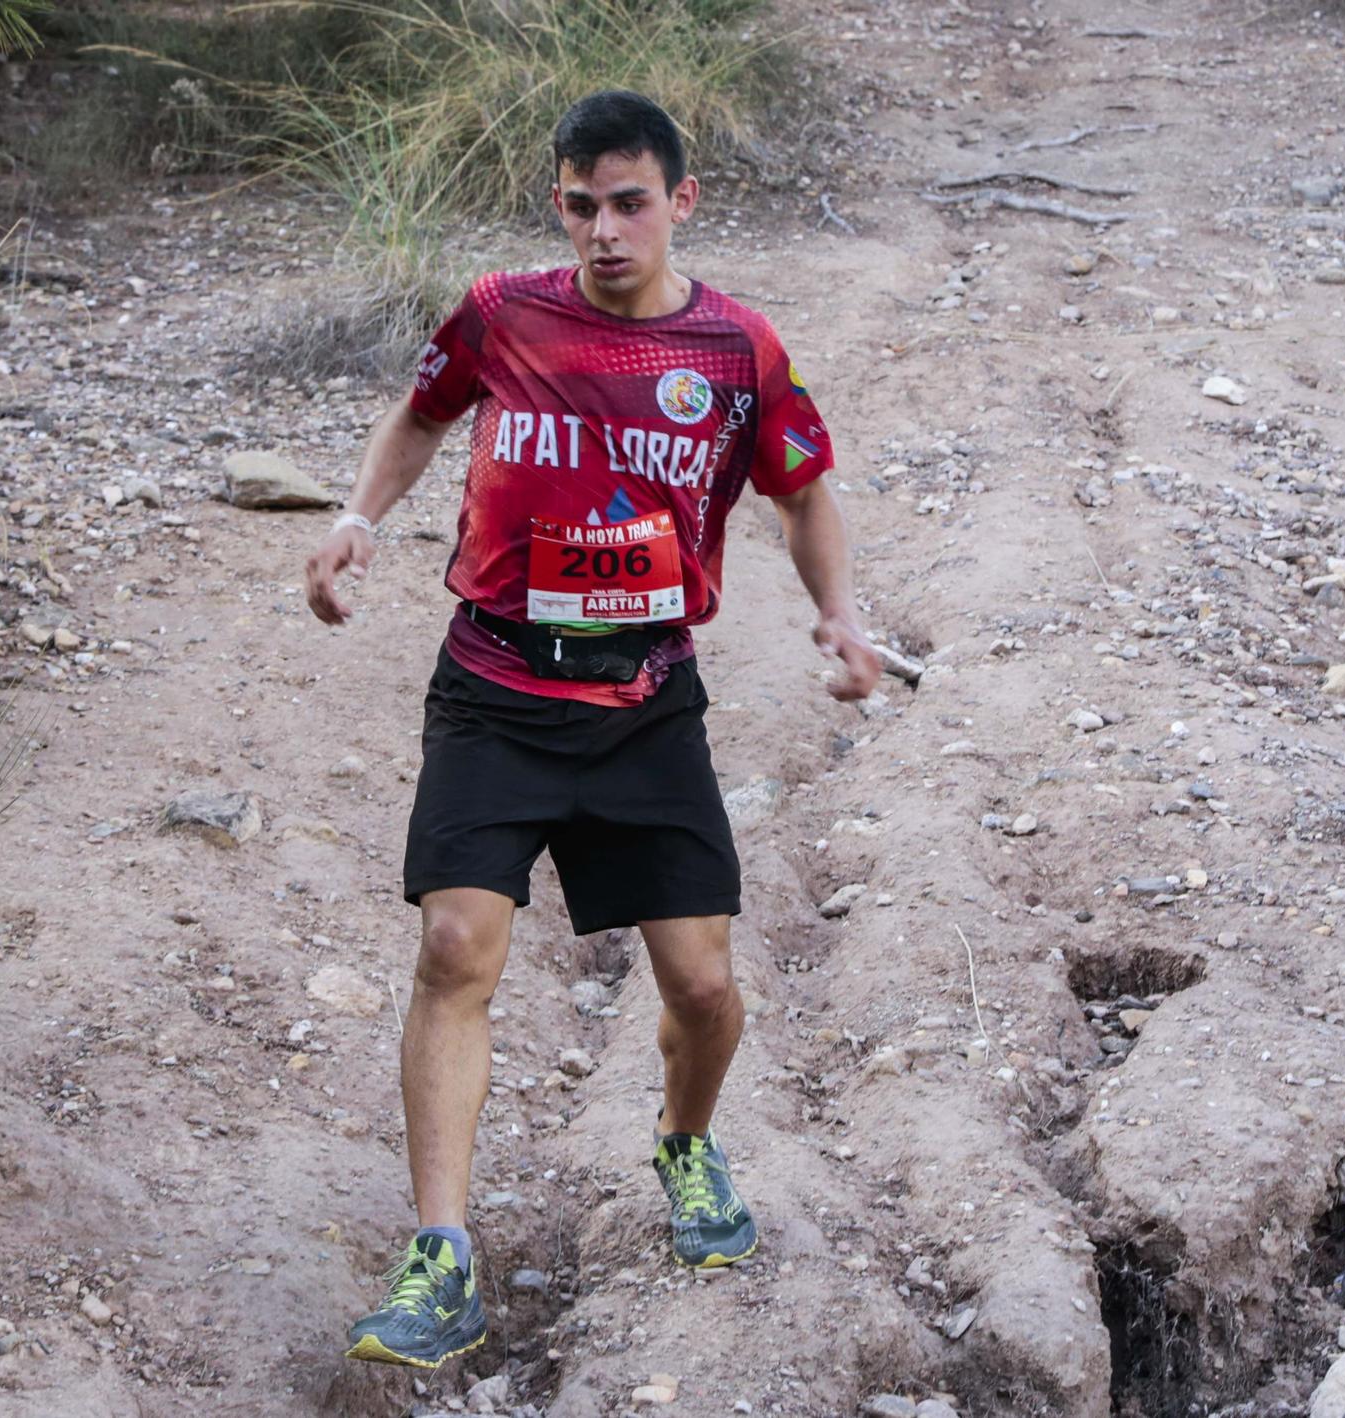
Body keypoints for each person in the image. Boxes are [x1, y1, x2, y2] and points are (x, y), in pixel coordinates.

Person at [304, 89, 881, 1371]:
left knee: (703, 985)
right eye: (581, 204)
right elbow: (420, 412)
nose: (604, 229)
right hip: (494, 684)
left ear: (681, 201)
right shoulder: (503, 309)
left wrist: (841, 616)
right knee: (455, 947)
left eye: (630, 203)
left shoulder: (736, 350)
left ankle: (683, 1142)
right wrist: (359, 515)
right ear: (555, 202)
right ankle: (441, 1253)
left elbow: (801, 490)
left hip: (643, 704)